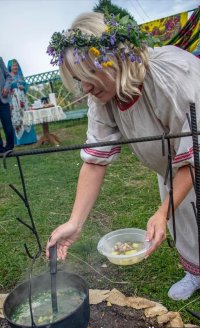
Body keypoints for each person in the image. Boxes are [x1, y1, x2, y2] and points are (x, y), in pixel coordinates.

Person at [46, 12, 200, 301]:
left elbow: (193, 156)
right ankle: (196, 273)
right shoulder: (102, 96)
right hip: (171, 166)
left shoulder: (169, 78)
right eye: (81, 81)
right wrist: (75, 222)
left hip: (194, 155)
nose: (86, 89)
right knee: (183, 219)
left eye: (89, 78)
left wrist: (160, 210)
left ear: (116, 60)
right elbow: (95, 159)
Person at [7, 59, 37, 145]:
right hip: (14, 101)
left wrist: (23, 88)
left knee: (26, 116)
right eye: (13, 65)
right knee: (17, 119)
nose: (15, 67)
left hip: (23, 100)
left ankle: (30, 139)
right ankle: (20, 141)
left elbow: (26, 86)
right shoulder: (8, 76)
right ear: (10, 67)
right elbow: (6, 88)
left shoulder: (20, 76)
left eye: (16, 65)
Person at [0, 56, 14, 153]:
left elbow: (8, 76)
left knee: (8, 126)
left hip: (3, 99)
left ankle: (9, 148)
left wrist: (6, 87)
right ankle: (0, 150)